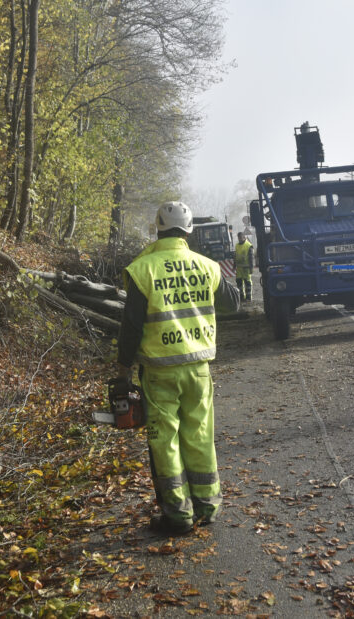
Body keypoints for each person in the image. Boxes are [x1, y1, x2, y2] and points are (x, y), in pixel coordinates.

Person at [116, 201, 240, 536]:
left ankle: (178, 516)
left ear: (157, 228)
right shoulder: (206, 266)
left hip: (159, 373)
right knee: (199, 435)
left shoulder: (144, 269)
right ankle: (207, 505)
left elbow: (131, 327)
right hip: (198, 369)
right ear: (189, 231)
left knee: (165, 442)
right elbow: (233, 302)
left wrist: (122, 370)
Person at [233, 232, 253, 302]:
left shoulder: (248, 245)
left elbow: (251, 258)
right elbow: (235, 257)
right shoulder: (237, 245)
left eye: (241, 238)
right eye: (239, 238)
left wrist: (251, 268)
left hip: (246, 268)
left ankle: (248, 297)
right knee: (239, 283)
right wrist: (234, 266)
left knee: (247, 283)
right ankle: (241, 297)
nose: (240, 239)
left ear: (244, 237)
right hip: (239, 269)